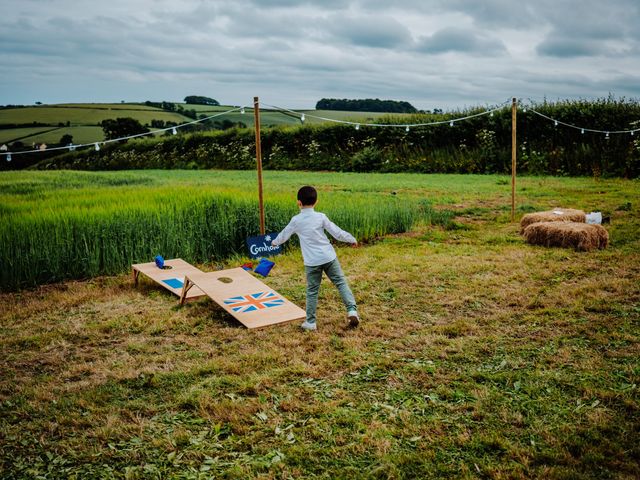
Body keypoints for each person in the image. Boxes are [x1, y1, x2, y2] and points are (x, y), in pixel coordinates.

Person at [271, 186, 359, 331]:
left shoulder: (296, 220)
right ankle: (351, 310)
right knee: (341, 283)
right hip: (328, 257)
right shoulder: (321, 217)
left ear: (298, 203)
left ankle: (311, 322)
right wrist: (351, 239)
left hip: (312, 262)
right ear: (316, 202)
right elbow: (336, 232)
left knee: (312, 290)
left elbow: (283, 236)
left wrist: (273, 242)